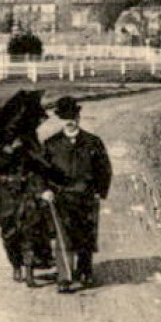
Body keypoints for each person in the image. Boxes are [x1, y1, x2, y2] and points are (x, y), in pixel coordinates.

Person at [0, 91, 59, 286]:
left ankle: (29, 269)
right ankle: (16, 264)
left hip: (27, 185)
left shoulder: (29, 136)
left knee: (30, 226)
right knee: (9, 229)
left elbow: (40, 162)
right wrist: (9, 150)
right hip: (5, 188)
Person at [41, 96, 113, 293]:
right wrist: (45, 190)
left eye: (72, 116)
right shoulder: (50, 144)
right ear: (60, 119)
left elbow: (104, 169)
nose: (69, 121)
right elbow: (41, 171)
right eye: (65, 117)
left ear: (79, 117)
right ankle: (64, 277)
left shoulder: (93, 142)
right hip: (61, 197)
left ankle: (85, 272)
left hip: (87, 196)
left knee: (86, 235)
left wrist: (100, 191)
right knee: (63, 237)